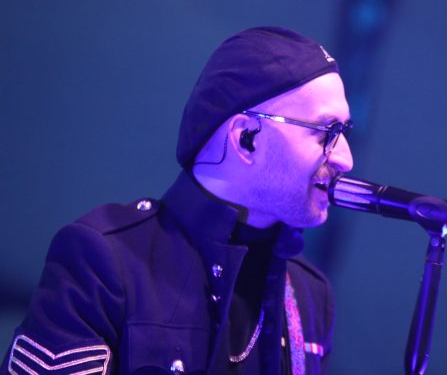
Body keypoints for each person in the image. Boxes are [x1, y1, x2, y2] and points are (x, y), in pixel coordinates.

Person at [2, 27, 354, 375]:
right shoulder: (105, 259)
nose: (345, 159)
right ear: (246, 138)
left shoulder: (310, 294)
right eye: (328, 132)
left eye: (345, 132)